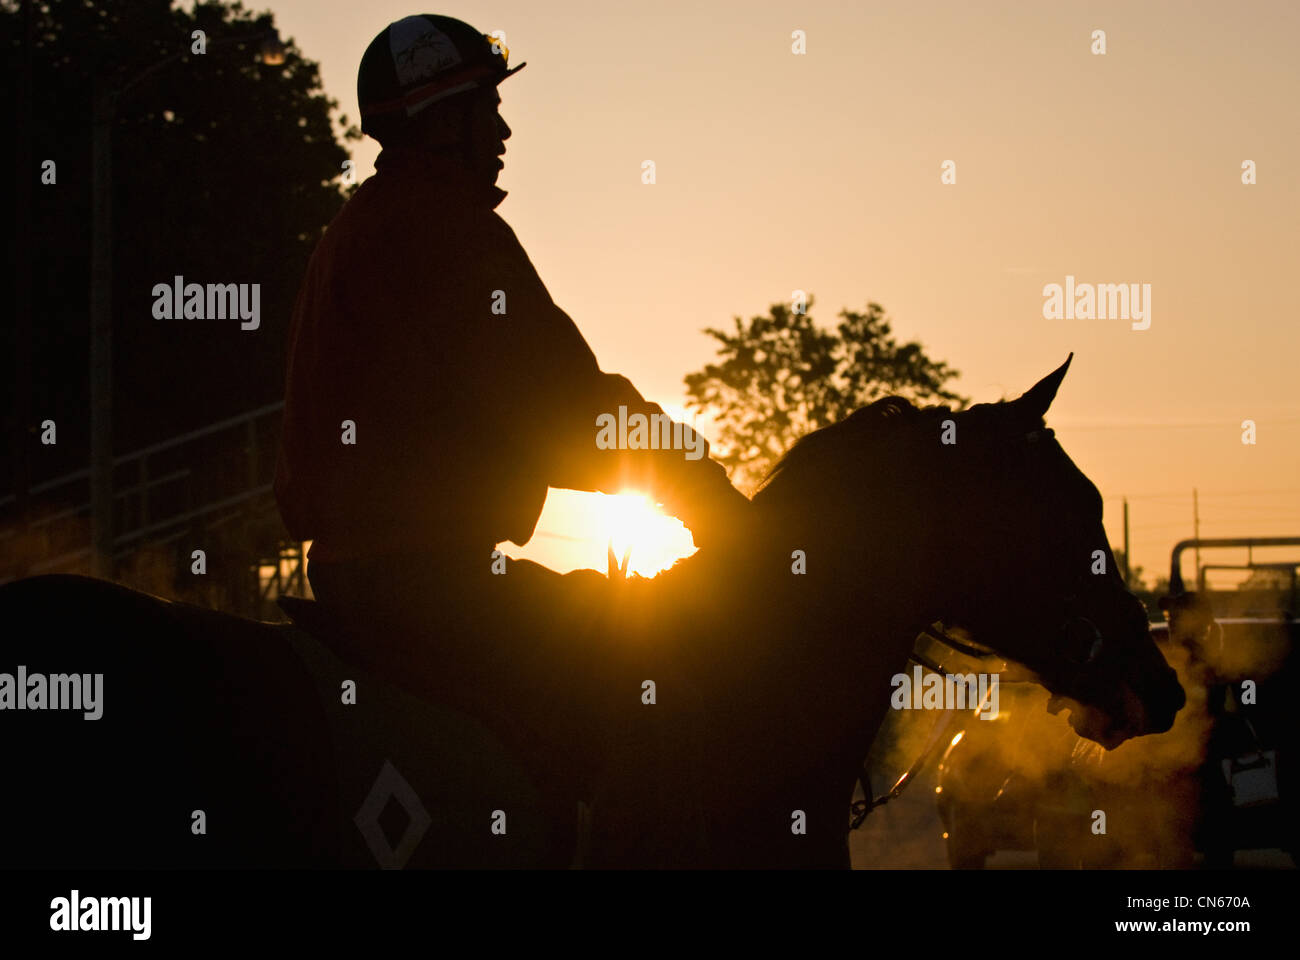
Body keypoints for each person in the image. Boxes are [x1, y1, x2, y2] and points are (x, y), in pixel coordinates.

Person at [273, 14, 744, 862]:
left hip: (360, 578)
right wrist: (698, 481)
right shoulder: (443, 227)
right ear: (444, 119)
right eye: (487, 108)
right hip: (433, 585)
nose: (504, 129)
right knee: (659, 697)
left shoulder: (358, 226)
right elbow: (559, 405)